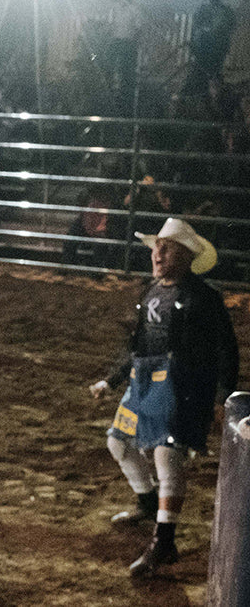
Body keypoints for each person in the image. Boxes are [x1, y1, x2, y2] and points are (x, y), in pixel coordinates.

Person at [87, 217, 239, 577]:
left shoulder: (203, 297)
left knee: (166, 455)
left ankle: (164, 541)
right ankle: (148, 502)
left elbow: (225, 350)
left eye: (166, 248)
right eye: (157, 246)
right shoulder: (150, 290)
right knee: (118, 443)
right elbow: (137, 343)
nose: (158, 253)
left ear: (186, 256)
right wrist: (111, 381)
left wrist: (221, 397)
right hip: (144, 382)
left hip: (181, 388)